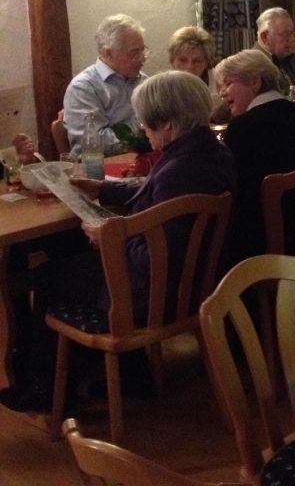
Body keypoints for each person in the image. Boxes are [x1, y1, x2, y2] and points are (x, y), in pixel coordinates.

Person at [0, 71, 236, 412]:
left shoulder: (177, 170)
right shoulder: (207, 151)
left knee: (48, 275)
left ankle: (47, 390)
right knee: (69, 251)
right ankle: (123, 372)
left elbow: (154, 258)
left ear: (168, 124)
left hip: (154, 294)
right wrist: (103, 189)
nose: (143, 130)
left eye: (146, 124)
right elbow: (158, 195)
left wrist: (110, 239)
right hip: (196, 285)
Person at [214, 49, 295, 267]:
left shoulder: (242, 128)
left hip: (260, 244)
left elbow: (234, 192)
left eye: (228, 83)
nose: (222, 93)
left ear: (254, 82)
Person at [63, 14, 148, 156]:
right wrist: (144, 126)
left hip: (140, 161)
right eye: (134, 53)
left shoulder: (143, 80)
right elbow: (95, 142)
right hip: (101, 166)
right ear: (108, 53)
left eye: (142, 50)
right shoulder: (83, 87)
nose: (142, 58)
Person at [255, 7, 295, 91]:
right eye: (285, 34)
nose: (292, 39)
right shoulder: (252, 67)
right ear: (264, 37)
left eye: (292, 33)